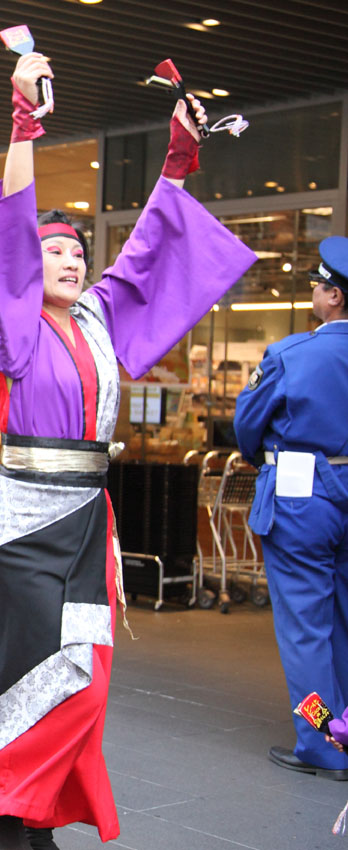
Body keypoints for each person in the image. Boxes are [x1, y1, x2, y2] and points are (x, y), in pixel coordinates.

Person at [0, 53, 255, 850]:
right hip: (29, 525)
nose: (71, 259)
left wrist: (177, 159)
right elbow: (8, 235)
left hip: (88, 521)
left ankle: (26, 804)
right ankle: (2, 799)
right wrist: (23, 124)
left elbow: (145, 253)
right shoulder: (13, 327)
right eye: (54, 252)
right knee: (42, 671)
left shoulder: (99, 321)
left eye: (78, 252)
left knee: (87, 678)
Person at [234, 236, 348, 782]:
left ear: (334, 297)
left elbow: (247, 428)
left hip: (303, 499)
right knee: (344, 623)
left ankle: (323, 740)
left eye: (318, 286)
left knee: (306, 631)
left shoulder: (292, 354)